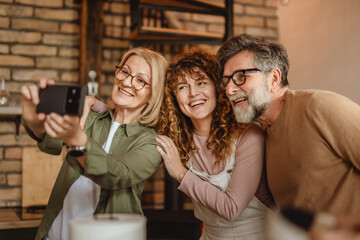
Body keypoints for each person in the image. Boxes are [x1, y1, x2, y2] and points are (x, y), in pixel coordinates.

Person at [21, 47, 168, 240]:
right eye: (125, 71)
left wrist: (78, 142)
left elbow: (116, 175)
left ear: (153, 94)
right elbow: (51, 141)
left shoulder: (151, 143)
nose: (125, 81)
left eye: (140, 80)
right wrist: (34, 120)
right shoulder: (90, 117)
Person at [216, 33, 360, 216]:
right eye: (226, 81)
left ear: (274, 79)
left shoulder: (318, 106)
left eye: (241, 76)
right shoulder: (261, 135)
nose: (229, 89)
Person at [154, 49, 275, 240]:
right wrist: (96, 107)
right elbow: (135, 127)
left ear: (217, 88)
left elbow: (231, 208)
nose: (193, 93)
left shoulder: (249, 135)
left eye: (201, 83)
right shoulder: (180, 139)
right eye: (183, 87)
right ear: (174, 98)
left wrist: (180, 173)